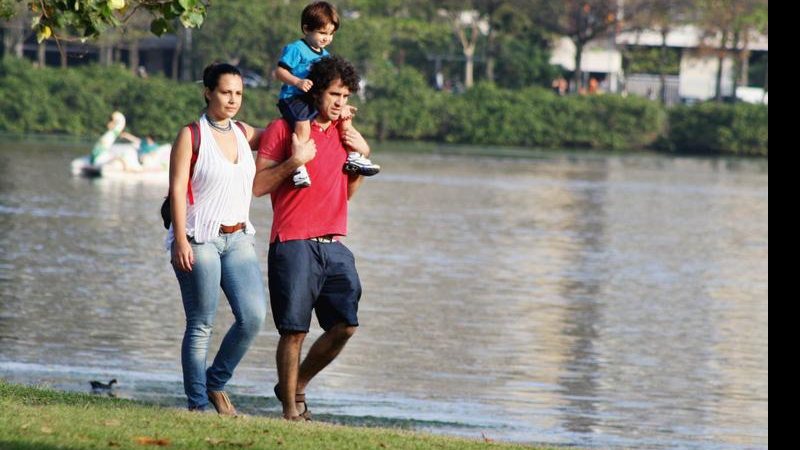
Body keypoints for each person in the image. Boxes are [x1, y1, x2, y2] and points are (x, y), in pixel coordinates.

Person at [254, 56, 370, 421]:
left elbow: (348, 192)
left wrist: (360, 154)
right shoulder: (282, 128)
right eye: (334, 93)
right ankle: (290, 410)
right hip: (292, 242)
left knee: (345, 325)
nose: (339, 101)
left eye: (345, 94)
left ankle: (297, 383)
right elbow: (257, 186)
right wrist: (294, 161)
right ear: (317, 91)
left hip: (333, 245)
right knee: (294, 332)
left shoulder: (344, 132)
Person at [166, 62, 267, 416]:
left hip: (238, 238)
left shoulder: (244, 132)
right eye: (226, 92)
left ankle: (215, 382)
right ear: (208, 92)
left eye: (238, 93)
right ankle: (197, 404)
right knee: (201, 323)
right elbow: (177, 189)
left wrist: (315, 106)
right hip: (199, 239)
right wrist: (180, 240)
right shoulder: (190, 135)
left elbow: (283, 135)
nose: (233, 99)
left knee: (253, 317)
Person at [274, 1, 379, 188]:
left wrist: (341, 104)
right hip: (293, 97)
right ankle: (299, 166)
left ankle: (353, 156)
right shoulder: (296, 49)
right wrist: (297, 82)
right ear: (307, 29)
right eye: (322, 33)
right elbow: (279, 72)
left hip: (313, 98)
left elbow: (333, 84)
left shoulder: (326, 56)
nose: (327, 38)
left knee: (344, 117)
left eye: (331, 34)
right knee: (303, 125)